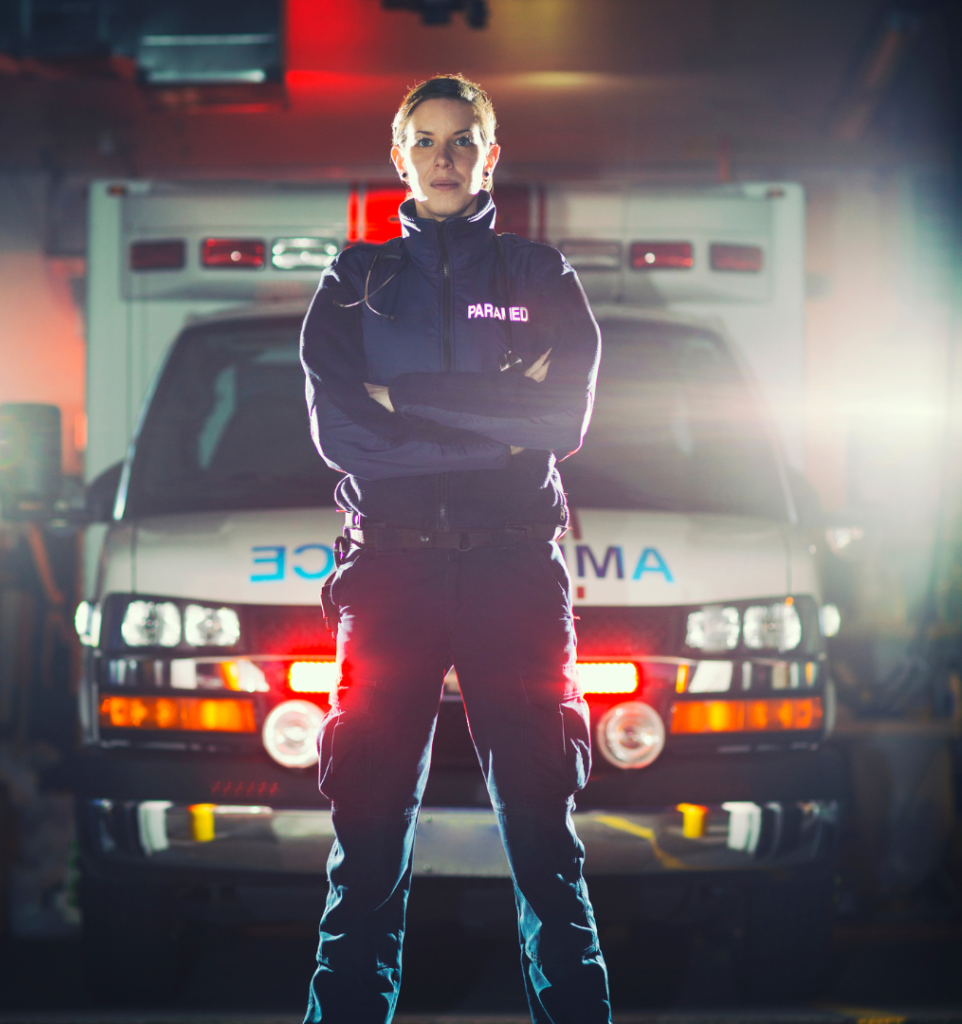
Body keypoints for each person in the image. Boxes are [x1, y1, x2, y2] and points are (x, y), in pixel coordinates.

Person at [299, 74, 610, 1024]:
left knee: (542, 832)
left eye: (462, 140)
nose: (443, 158)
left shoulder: (539, 276)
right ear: (399, 156)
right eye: (425, 141)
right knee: (366, 831)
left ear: (490, 156)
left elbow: (561, 423)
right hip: (388, 572)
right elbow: (343, 437)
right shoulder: (354, 282)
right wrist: (493, 418)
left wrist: (413, 401)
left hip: (514, 573)